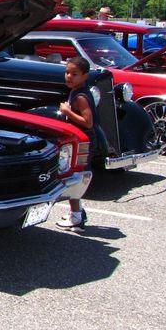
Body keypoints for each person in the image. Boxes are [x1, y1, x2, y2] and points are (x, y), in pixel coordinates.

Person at [56, 56, 96, 229]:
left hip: (83, 142)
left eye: (74, 74)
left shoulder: (80, 96)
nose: (69, 77)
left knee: (75, 178)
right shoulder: (76, 92)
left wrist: (67, 111)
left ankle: (77, 217)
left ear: (85, 76)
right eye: (67, 72)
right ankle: (77, 211)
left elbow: (88, 122)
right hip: (78, 141)